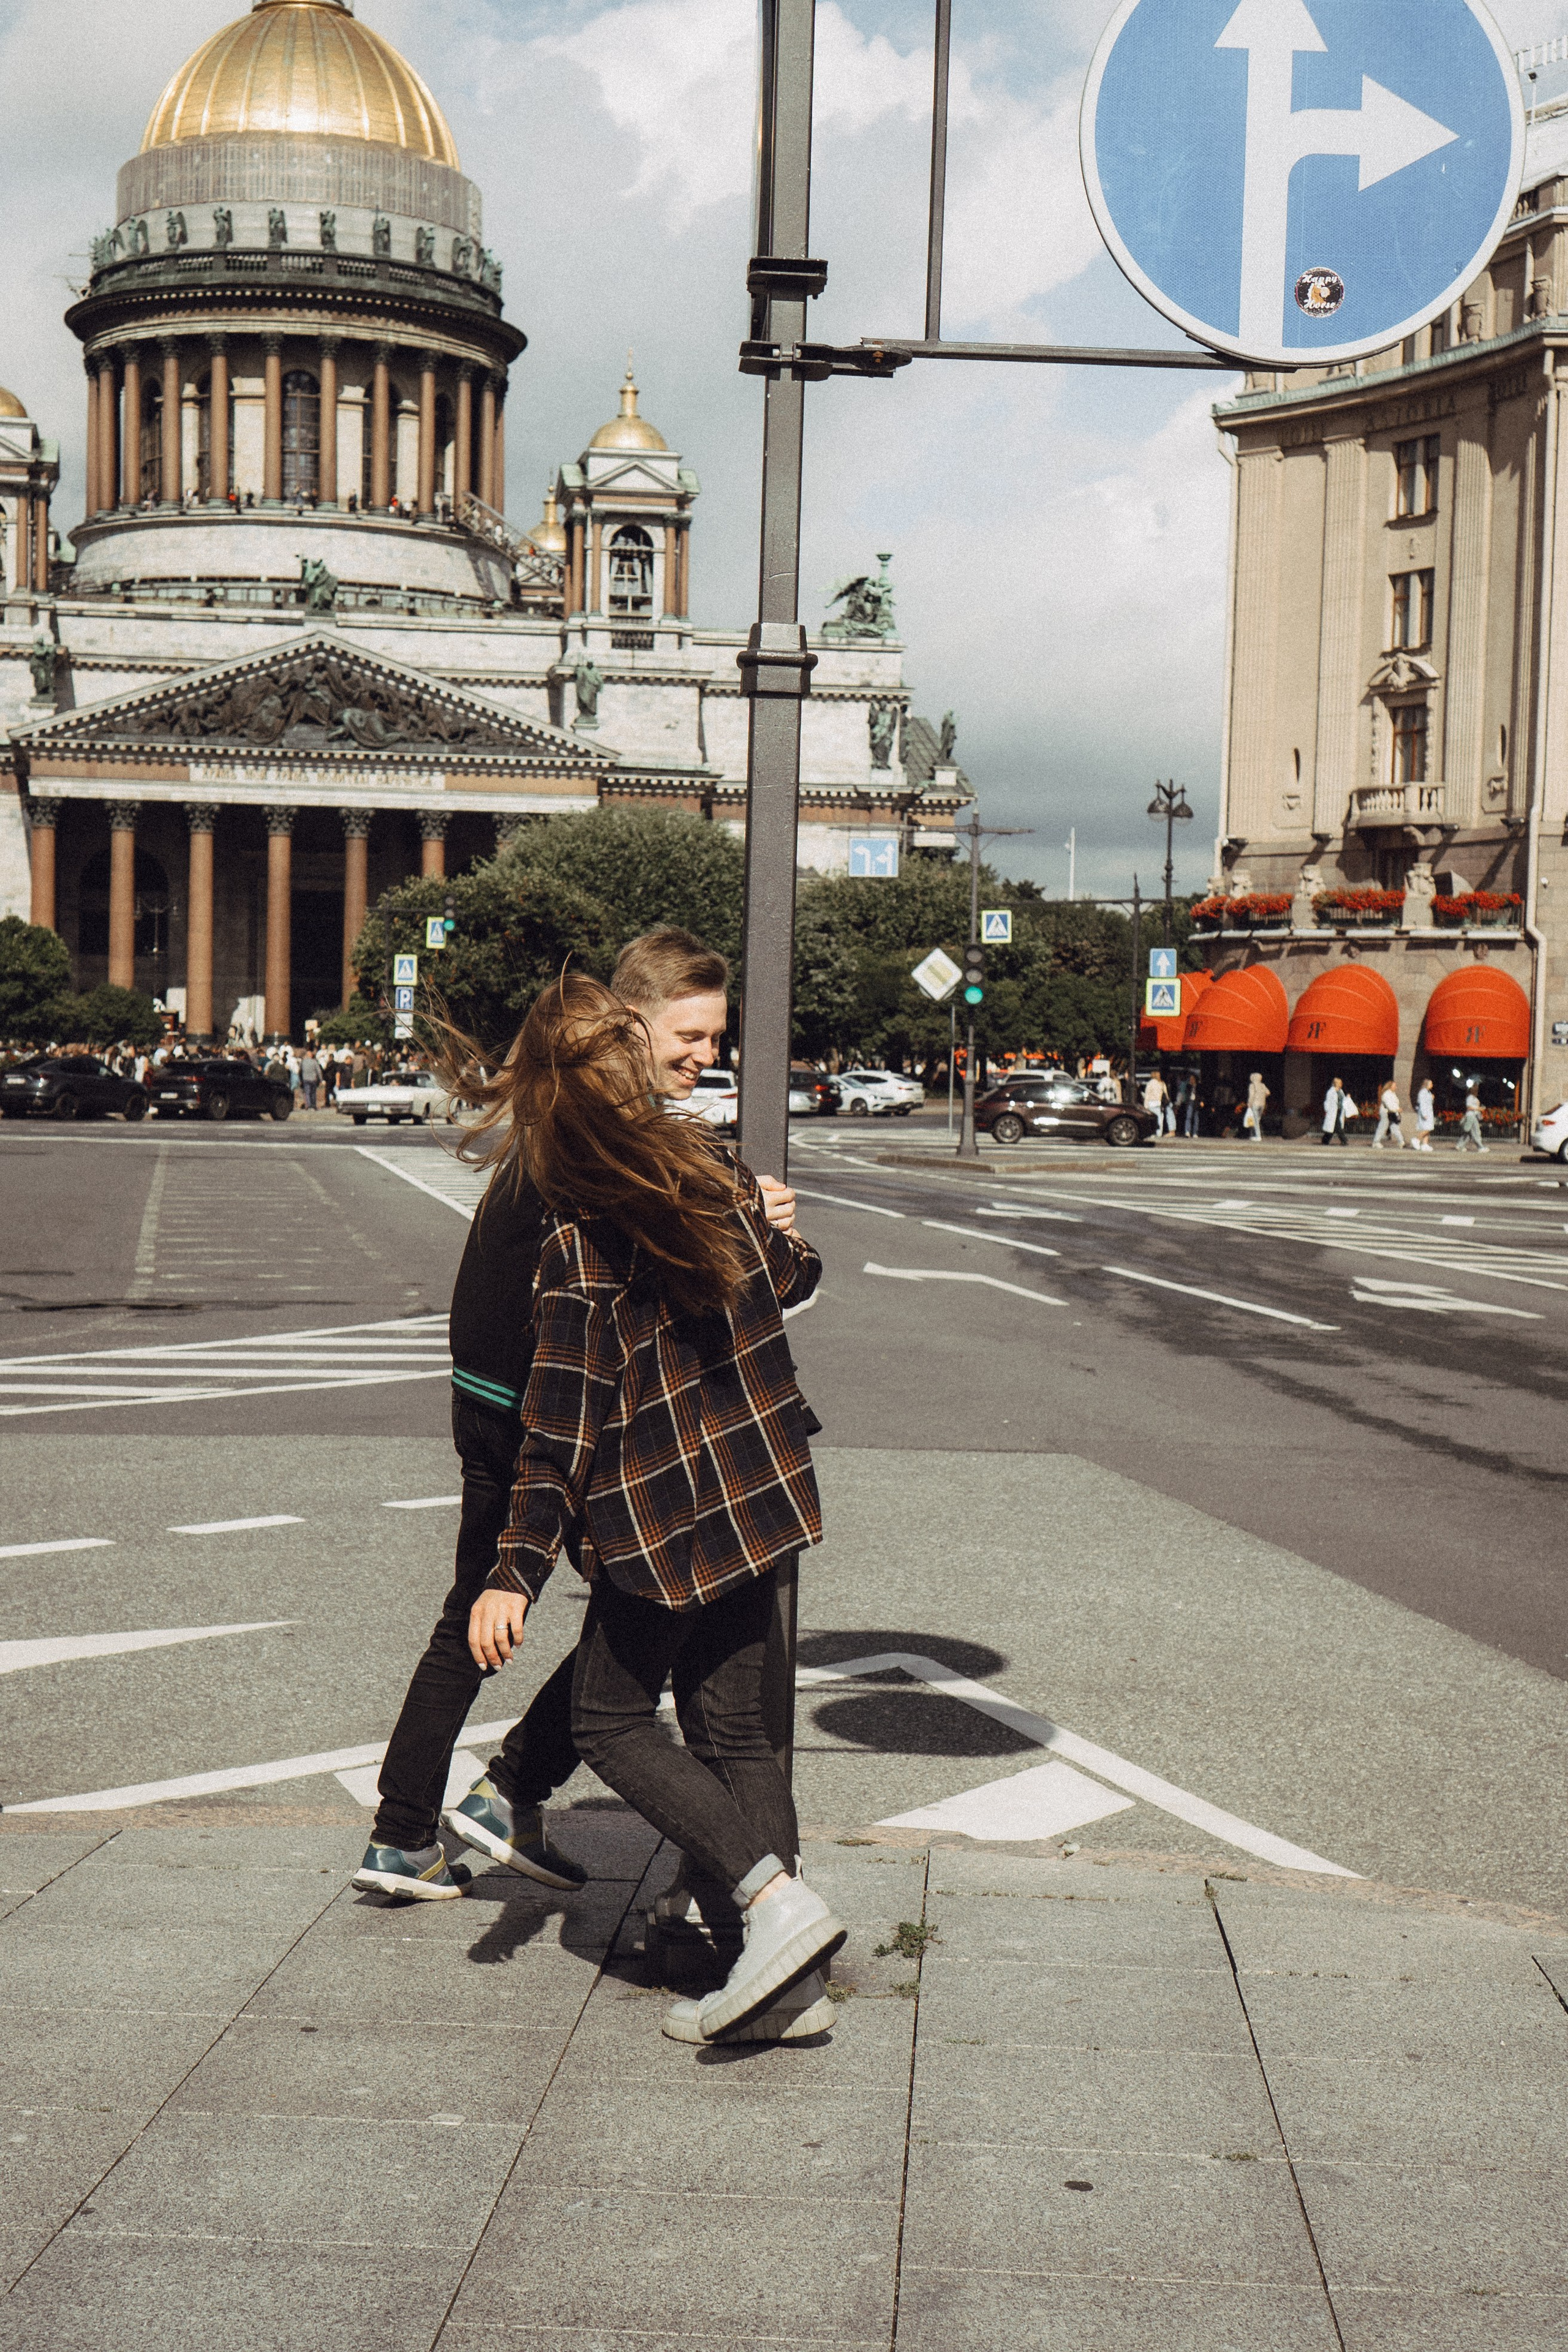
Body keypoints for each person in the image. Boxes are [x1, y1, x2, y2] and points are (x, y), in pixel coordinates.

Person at [460, 954, 844, 2046]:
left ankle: (773, 1908)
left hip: (662, 1517)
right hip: (760, 1491)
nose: (705, 1057)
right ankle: (787, 1980)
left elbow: (562, 1425)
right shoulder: (705, 1169)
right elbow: (788, 1278)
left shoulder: (581, 1235)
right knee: (736, 1730)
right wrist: (781, 1229)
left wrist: (514, 1569)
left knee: (607, 1718)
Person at [1373, 1080, 1405, 1150]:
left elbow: (1394, 1104)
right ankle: (1376, 1142)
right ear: (1390, 1087)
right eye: (1394, 1086)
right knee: (1383, 1126)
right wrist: (1397, 1109)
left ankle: (1401, 1141)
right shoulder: (1386, 1094)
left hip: (1392, 1113)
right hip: (1386, 1112)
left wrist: (1397, 1109)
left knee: (1394, 1126)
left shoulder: (1393, 1094)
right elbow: (1389, 1105)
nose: (1396, 1087)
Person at [1321, 1075, 1351, 1146]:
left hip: (1339, 1111)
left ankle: (1325, 1140)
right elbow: (1327, 1102)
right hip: (1333, 1112)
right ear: (1336, 1083)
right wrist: (1327, 1110)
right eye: (1340, 1083)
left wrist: (1347, 1098)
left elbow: (1343, 1101)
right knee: (1338, 1126)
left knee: (1333, 1127)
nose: (1341, 1084)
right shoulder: (1331, 1092)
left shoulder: (1341, 1091)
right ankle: (1344, 1140)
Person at [1457, 1085, 1487, 1151]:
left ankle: (1460, 1145)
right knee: (1476, 1132)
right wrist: (1479, 1108)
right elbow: (1469, 1107)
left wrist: (1479, 1109)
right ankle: (1480, 1147)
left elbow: (1475, 1108)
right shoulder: (1470, 1098)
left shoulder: (1475, 1099)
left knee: (1469, 1133)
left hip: (1473, 1116)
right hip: (1471, 1117)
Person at [1243, 1070, 1268, 1141]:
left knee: (1256, 1120)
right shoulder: (1263, 1085)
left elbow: (1251, 1095)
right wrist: (1262, 1096)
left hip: (1255, 1104)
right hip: (1262, 1104)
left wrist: (1249, 1103)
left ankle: (1258, 1136)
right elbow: (1268, 1093)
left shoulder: (1252, 1085)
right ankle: (1254, 1135)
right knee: (1257, 1119)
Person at [1142, 1070, 1168, 1139]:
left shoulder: (1150, 1083)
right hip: (1159, 1104)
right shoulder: (1162, 1083)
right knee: (1160, 1118)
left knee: (1152, 1120)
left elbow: (1147, 1095)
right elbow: (1166, 1095)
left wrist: (1146, 1105)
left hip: (1151, 1103)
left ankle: (1152, 1133)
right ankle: (1159, 1133)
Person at [1413, 1079, 1436, 1152]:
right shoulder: (1423, 1092)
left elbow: (1429, 1103)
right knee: (1427, 1128)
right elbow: (1422, 1104)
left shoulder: (1428, 1092)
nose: (1432, 1085)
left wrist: (1432, 1098)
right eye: (1431, 1084)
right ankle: (1417, 1139)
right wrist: (1424, 1114)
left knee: (1429, 1128)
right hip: (1425, 1113)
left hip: (1429, 1113)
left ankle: (1425, 1144)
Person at [298, 1047, 323, 1111]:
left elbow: (300, 1071)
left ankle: (309, 1106)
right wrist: (321, 1079)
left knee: (307, 1093)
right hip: (313, 1079)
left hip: (306, 1079)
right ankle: (314, 1105)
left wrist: (300, 1079)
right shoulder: (314, 1062)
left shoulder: (303, 1062)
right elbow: (319, 1071)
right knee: (313, 1093)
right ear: (311, 1056)